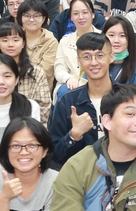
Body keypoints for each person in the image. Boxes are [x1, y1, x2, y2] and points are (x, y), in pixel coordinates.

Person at [49, 32, 119, 165]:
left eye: (100, 55)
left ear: (111, 57)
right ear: (78, 61)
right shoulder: (67, 102)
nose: (93, 62)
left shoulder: (128, 98)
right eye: (86, 57)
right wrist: (74, 135)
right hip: (82, 176)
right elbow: (55, 156)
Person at [0, 21, 53, 123]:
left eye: (16, 40)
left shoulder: (36, 72)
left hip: (29, 125)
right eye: (5, 40)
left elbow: (44, 108)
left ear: (23, 44)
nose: (10, 45)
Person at [53, 0, 101, 95]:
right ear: (71, 17)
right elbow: (59, 69)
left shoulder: (103, 38)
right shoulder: (65, 41)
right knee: (65, 92)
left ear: (92, 14)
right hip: (71, 85)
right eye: (75, 13)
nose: (81, 17)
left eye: (85, 12)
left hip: (97, 82)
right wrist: (69, 78)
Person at [103, 16, 136, 91]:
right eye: (111, 35)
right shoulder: (96, 65)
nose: (116, 40)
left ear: (130, 39)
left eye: (122, 36)